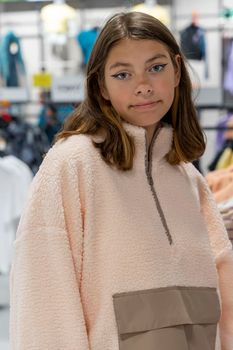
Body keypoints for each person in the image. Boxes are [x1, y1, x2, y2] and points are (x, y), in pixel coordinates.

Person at [10, 12, 233, 350]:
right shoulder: (72, 163)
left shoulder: (187, 175)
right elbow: (43, 295)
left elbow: (223, 288)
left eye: (156, 68)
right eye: (122, 74)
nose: (143, 85)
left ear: (177, 70)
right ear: (101, 86)